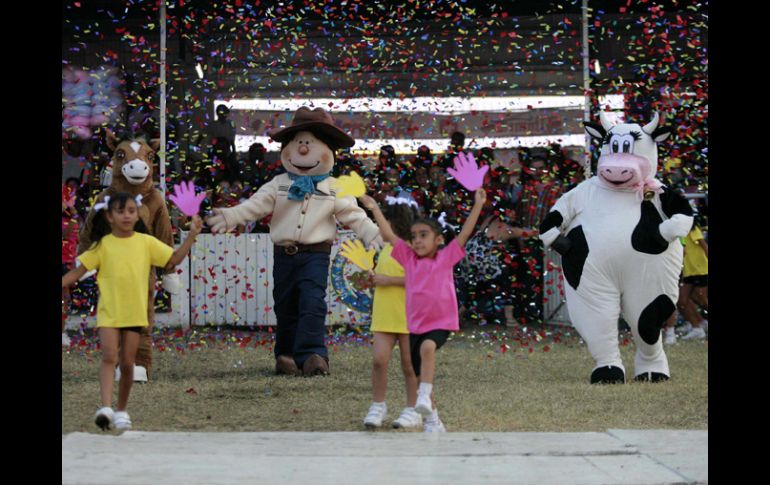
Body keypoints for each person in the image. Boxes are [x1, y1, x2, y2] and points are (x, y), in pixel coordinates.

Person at [62, 192, 203, 431]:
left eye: (130, 211)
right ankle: (105, 407)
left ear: (137, 213)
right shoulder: (103, 245)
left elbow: (173, 260)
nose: (126, 216)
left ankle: (121, 410)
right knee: (109, 357)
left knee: (127, 363)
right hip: (109, 313)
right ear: (109, 217)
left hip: (135, 314)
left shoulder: (146, 242)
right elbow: (76, 273)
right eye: (120, 211)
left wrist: (191, 236)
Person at [359, 187, 486, 433]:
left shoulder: (446, 257)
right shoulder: (408, 258)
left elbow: (465, 234)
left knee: (427, 351)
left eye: (423, 235)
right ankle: (432, 419)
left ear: (438, 240)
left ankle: (423, 398)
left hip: (439, 322)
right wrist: (374, 208)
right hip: (414, 325)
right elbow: (388, 234)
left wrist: (478, 205)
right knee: (417, 369)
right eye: (414, 236)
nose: (417, 240)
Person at [362, 195, 422, 430]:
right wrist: (375, 278)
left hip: (408, 314)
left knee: (409, 365)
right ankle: (378, 405)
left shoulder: (410, 248)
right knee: (379, 361)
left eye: (386, 220)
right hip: (385, 312)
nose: (382, 225)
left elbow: (418, 279)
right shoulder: (387, 248)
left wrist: (374, 207)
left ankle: (413, 408)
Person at [678, 223, 708, 340]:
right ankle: (697, 328)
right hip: (688, 271)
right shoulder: (678, 232)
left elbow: (704, 246)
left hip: (701, 270)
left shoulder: (692, 229)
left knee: (702, 299)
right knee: (682, 301)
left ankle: (699, 324)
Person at [62, 184, 80, 347]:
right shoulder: (70, 219)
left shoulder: (71, 220)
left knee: (65, 300)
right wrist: (74, 214)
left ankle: (62, 331)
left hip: (68, 263)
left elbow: (76, 241)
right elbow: (65, 235)